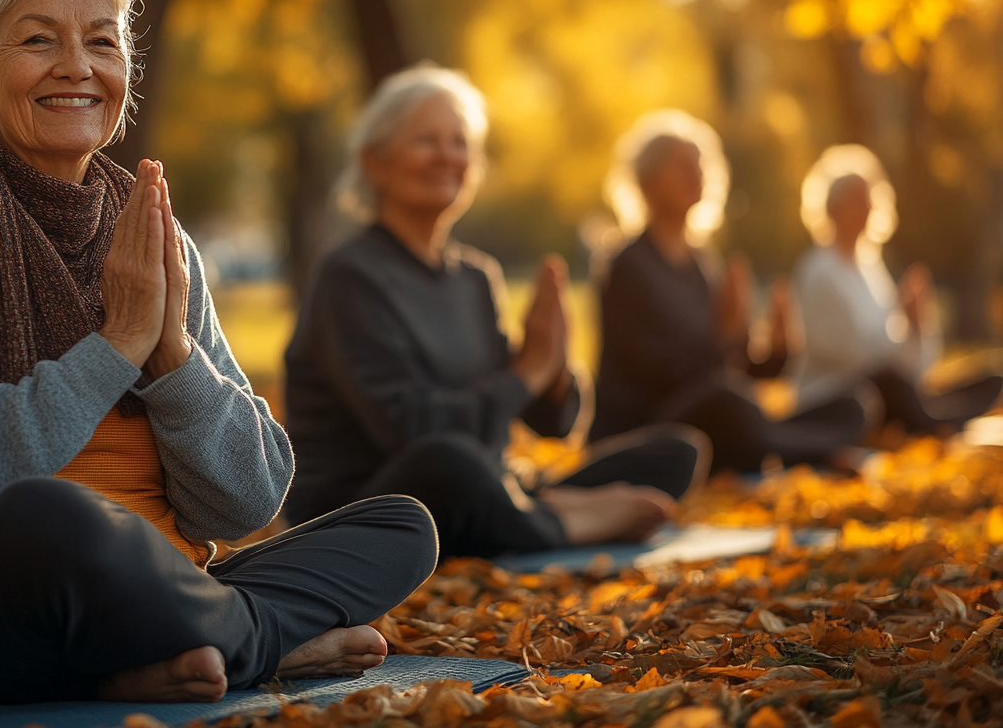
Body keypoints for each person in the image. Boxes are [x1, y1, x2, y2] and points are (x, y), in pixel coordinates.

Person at [0, 0, 437, 707]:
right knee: (51, 518)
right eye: (39, 39)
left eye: (102, 41)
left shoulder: (160, 243)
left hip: (173, 577)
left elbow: (252, 498)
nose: (75, 65)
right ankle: (262, 639)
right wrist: (116, 346)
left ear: (126, 70)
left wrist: (172, 360)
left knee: (403, 527)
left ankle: (159, 649)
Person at [283, 66, 708, 561]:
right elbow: (412, 431)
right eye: (425, 141)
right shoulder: (350, 275)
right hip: (368, 506)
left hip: (484, 484)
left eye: (459, 143)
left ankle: (530, 511)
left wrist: (550, 366)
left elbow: (551, 421)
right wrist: (527, 372)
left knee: (677, 452)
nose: (447, 156)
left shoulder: (475, 278)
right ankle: (557, 521)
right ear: (375, 162)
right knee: (449, 458)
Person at [590, 111, 867, 473]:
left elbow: (736, 367)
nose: (696, 176)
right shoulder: (626, 266)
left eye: (700, 166)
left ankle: (801, 446)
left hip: (717, 413)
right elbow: (665, 375)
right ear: (647, 181)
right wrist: (724, 336)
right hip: (648, 428)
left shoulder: (704, 264)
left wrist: (778, 351)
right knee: (728, 404)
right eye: (681, 167)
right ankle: (815, 452)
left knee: (851, 403)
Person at [793, 145, 1002, 433]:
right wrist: (900, 321)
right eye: (857, 199)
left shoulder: (871, 270)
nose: (866, 208)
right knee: (892, 387)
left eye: (868, 200)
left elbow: (914, 366)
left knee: (992, 377)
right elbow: (855, 356)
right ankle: (941, 420)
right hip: (838, 396)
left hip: (890, 388)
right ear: (833, 206)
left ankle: (942, 415)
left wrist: (917, 326)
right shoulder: (818, 271)